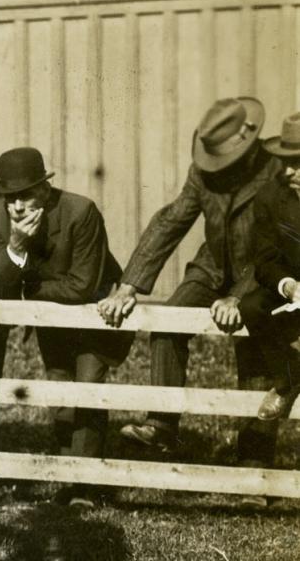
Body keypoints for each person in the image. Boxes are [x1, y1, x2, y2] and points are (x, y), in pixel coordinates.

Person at [99, 97, 282, 467]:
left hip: (261, 275)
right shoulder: (202, 173)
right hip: (211, 268)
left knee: (256, 360)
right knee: (167, 325)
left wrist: (239, 297)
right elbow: (171, 222)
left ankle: (253, 467)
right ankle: (162, 428)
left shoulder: (278, 171)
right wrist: (129, 285)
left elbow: (278, 245)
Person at [0, 147, 130, 506]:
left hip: (96, 311)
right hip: (50, 315)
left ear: (45, 191)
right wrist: (16, 245)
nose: (17, 206)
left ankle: (85, 486)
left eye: (26, 195)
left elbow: (82, 285)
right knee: (60, 384)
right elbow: (3, 292)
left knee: (88, 385)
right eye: (10, 197)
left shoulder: (80, 212)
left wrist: (31, 288)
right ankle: (70, 476)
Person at [239, 112, 300, 423]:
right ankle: (286, 380)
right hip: (294, 291)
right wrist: (289, 286)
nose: (289, 171)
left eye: (299, 162)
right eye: (286, 161)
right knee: (251, 306)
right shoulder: (270, 197)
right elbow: (264, 260)